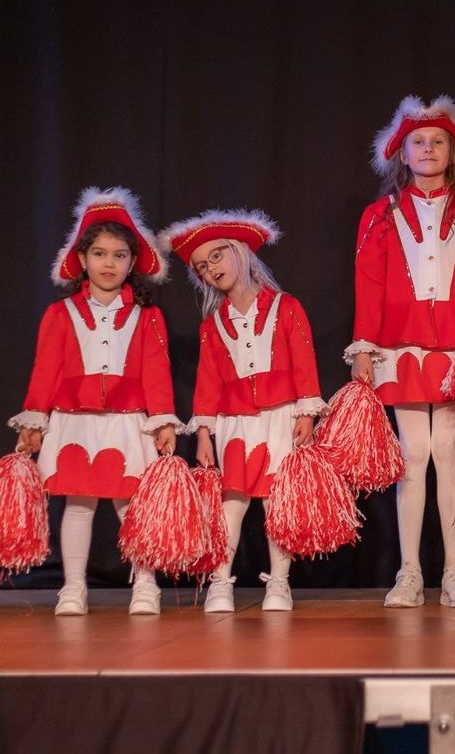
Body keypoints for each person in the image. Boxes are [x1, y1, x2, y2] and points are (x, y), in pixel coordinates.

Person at [347, 95, 455, 609]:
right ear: (403, 152)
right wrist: (364, 346)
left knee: (450, 454)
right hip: (400, 346)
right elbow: (368, 284)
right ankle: (409, 570)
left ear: (453, 152)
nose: (428, 149)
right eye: (418, 141)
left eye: (438, 142)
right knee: (413, 455)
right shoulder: (379, 215)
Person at [9, 187, 180, 617]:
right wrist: (34, 420)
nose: (109, 263)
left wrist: (162, 420)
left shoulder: (147, 316)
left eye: (119, 255)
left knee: (132, 505)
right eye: (100, 254)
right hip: (73, 421)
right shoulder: (60, 313)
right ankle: (73, 587)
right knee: (78, 504)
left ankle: (146, 584)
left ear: (132, 262)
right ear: (82, 259)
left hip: (128, 421)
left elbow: (157, 373)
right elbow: (45, 371)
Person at [160, 209, 326, 613]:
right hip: (235, 422)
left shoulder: (286, 307)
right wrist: (203, 433)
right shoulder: (212, 325)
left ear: (239, 252)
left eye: (216, 256)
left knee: (276, 501)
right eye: (202, 267)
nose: (210, 269)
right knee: (231, 502)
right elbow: (208, 383)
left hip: (281, 416)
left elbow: (304, 363)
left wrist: (306, 413)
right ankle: (221, 582)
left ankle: (279, 583)